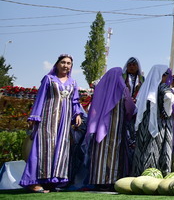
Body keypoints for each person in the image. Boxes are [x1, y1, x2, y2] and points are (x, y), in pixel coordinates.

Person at [20, 54, 85, 193]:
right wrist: (34, 117)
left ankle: (52, 181)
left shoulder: (73, 82)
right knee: (43, 148)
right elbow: (40, 98)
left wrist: (77, 114)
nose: (65, 65)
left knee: (60, 148)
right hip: (47, 119)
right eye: (63, 62)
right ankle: (34, 182)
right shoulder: (49, 79)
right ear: (57, 64)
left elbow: (75, 101)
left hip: (64, 122)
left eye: (68, 63)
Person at [86, 67, 135, 188]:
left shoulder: (100, 90)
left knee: (100, 153)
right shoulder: (123, 90)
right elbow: (130, 109)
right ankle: (111, 180)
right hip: (116, 129)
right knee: (114, 154)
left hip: (100, 129)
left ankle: (97, 179)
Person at [131, 65, 174, 176]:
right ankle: (153, 176)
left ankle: (140, 174)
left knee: (143, 146)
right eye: (166, 75)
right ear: (162, 76)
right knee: (155, 147)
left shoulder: (147, 88)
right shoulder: (162, 87)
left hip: (145, 124)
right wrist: (166, 111)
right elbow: (169, 97)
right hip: (159, 123)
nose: (167, 78)